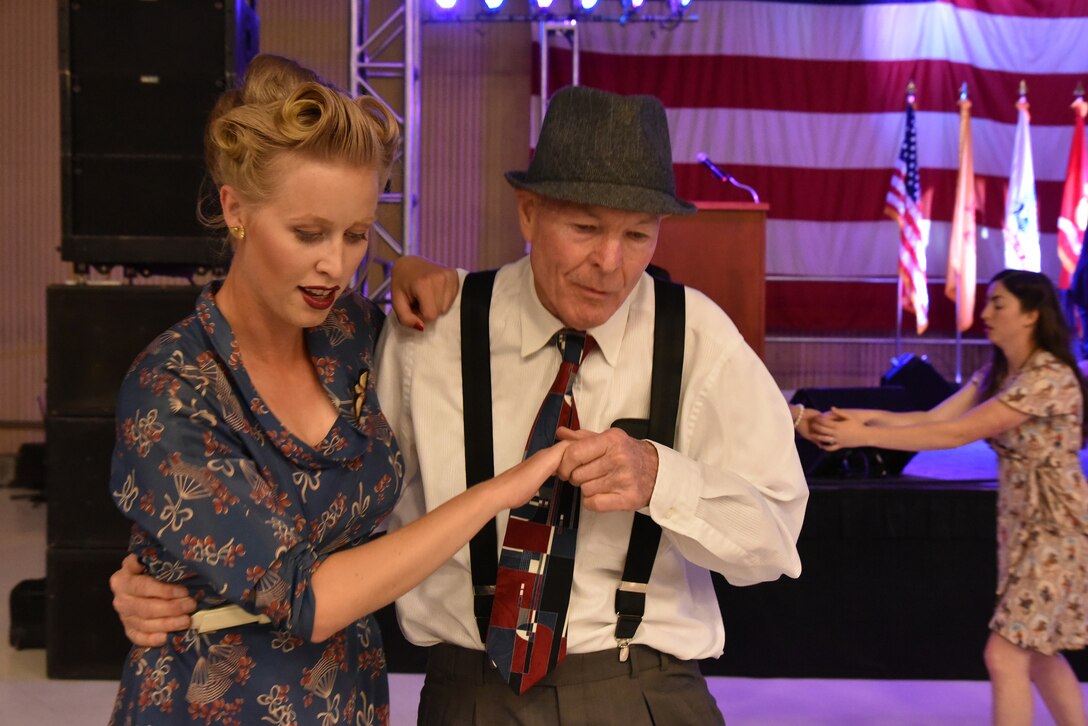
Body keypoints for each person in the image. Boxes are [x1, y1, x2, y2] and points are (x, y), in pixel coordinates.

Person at [111, 84, 809, 725]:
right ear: (529, 213)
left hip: (640, 688)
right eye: (586, 229)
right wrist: (168, 575)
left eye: (637, 234)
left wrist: (665, 482)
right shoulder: (429, 333)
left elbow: (777, 542)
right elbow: (303, 530)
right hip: (461, 693)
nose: (611, 264)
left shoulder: (700, 338)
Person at [105, 54, 566, 725]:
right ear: (234, 208)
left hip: (346, 691)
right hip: (214, 703)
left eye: (355, 235)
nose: (334, 265)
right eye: (307, 233)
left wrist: (406, 266)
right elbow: (309, 599)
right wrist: (503, 491)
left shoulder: (348, 331)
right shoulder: (170, 390)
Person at [812, 269, 1088, 726]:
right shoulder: (998, 372)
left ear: (1032, 315)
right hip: (1023, 527)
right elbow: (931, 417)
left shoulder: (1049, 378)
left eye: (998, 304)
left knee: (1006, 655)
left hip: (1056, 531)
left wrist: (860, 436)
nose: (985, 313)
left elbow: (957, 433)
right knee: (1037, 651)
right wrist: (857, 418)